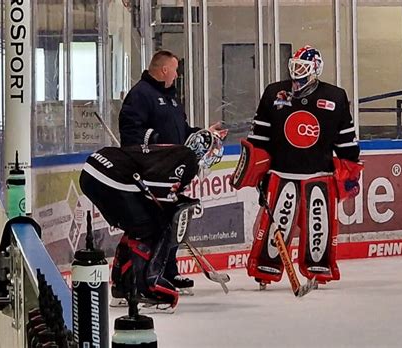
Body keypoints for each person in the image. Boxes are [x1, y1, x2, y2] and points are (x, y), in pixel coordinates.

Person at [230, 45, 363, 289]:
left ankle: (317, 267)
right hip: (281, 173)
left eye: (302, 67)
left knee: (319, 224)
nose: (297, 73)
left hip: (319, 176)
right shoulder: (274, 93)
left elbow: (346, 141)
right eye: (294, 66)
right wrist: (257, 173)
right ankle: (264, 269)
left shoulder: (335, 96)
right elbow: (259, 139)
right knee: (276, 223)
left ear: (315, 69)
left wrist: (349, 169)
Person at [115, 50, 227, 302]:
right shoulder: (141, 95)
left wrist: (204, 133)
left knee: (173, 220)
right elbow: (131, 132)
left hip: (171, 171)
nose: (177, 75)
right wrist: (158, 144)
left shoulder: (171, 98)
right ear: (164, 69)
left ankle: (167, 271)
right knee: (152, 224)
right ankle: (136, 276)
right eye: (175, 69)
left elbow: (182, 132)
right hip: (150, 173)